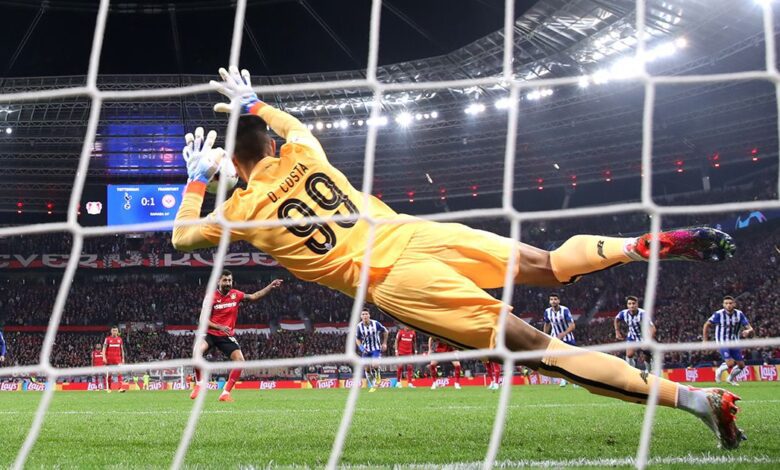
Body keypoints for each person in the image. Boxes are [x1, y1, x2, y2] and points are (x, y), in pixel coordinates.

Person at [172, 66, 744, 449]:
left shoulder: (239, 214)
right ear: (271, 145)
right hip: (416, 233)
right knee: (547, 264)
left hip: (397, 280)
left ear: (233, 171)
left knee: (546, 351)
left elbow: (180, 238)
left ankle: (698, 400)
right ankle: (631, 247)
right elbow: (289, 125)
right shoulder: (304, 151)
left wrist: (196, 182)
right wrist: (254, 104)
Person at [190, 270, 283, 402]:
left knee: (240, 361)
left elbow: (254, 296)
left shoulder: (236, 294)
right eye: (225, 280)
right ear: (218, 281)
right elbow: (202, 320)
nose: (228, 283)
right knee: (196, 352)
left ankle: (225, 393)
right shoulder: (210, 297)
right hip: (210, 333)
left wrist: (270, 286)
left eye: (229, 280)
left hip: (225, 335)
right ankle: (199, 385)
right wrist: (219, 326)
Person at [703, 296, 754, 386]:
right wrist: (705, 340)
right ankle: (719, 370)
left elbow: (750, 328)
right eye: (726, 303)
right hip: (722, 342)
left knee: (741, 366)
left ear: (734, 304)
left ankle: (730, 378)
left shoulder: (739, 314)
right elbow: (706, 324)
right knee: (730, 363)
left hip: (735, 342)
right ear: (723, 305)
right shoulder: (718, 314)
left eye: (730, 303)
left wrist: (748, 331)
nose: (728, 305)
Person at [615, 296, 655, 373]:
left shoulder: (643, 314)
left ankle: (649, 371)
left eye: (633, 303)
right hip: (632, 336)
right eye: (629, 304)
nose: (632, 305)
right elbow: (616, 319)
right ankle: (631, 372)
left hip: (644, 337)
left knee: (647, 356)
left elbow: (653, 328)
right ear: (627, 305)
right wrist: (617, 331)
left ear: (637, 305)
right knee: (629, 355)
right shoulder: (623, 313)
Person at [543, 293, 575, 387]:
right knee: (559, 359)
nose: (553, 301)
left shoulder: (565, 310)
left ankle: (574, 381)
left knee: (571, 360)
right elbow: (547, 324)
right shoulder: (547, 311)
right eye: (551, 299)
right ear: (549, 301)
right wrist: (545, 335)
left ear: (559, 301)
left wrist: (563, 334)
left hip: (568, 338)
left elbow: (572, 326)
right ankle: (563, 379)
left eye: (555, 299)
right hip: (555, 339)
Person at [355, 309, 388, 392]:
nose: (365, 316)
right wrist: (361, 348)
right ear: (361, 316)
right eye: (363, 314)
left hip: (375, 349)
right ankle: (373, 385)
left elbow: (385, 331)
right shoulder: (359, 326)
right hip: (366, 350)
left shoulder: (375, 323)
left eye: (366, 314)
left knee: (375, 364)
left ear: (369, 315)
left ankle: (378, 379)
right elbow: (357, 339)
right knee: (367, 369)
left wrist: (384, 343)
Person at [102, 326, 125, 393]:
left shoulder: (120, 339)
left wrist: (123, 358)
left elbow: (122, 350)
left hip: (118, 359)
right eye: (113, 330)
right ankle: (109, 388)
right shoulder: (107, 339)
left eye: (116, 330)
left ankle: (120, 388)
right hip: (109, 359)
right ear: (111, 331)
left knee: (119, 373)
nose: (115, 332)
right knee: (109, 374)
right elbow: (104, 348)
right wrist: (104, 357)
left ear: (118, 331)